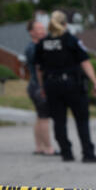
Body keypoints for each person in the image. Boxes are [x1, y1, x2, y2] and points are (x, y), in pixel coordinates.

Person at [34, 10, 96, 163]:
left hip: (52, 85)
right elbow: (85, 62)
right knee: (81, 119)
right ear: (65, 24)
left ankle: (66, 152)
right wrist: (95, 82)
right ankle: (88, 153)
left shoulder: (42, 43)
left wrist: (43, 87)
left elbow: (39, 69)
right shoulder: (70, 40)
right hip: (72, 85)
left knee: (59, 121)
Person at [25, 20, 59, 156]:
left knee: (40, 117)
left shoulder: (36, 46)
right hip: (38, 86)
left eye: (43, 28)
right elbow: (41, 67)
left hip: (34, 86)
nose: (43, 31)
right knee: (44, 117)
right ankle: (48, 148)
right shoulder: (34, 48)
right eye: (39, 29)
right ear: (31, 32)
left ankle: (39, 146)